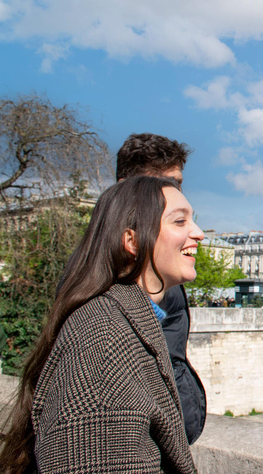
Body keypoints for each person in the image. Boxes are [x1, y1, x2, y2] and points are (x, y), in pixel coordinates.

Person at [0, 176, 203, 473]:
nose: (199, 233)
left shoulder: (120, 320)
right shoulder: (105, 340)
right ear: (132, 241)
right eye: (180, 221)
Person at [116, 133, 207, 444]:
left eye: (177, 183)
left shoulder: (160, 271)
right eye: (162, 184)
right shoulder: (107, 304)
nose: (199, 234)